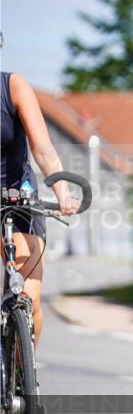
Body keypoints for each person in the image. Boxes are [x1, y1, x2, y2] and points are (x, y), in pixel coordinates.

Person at [1, 32, 80, 349]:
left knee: (29, 299)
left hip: (16, 194)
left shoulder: (13, 87)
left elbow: (43, 149)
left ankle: (25, 374)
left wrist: (62, 191)